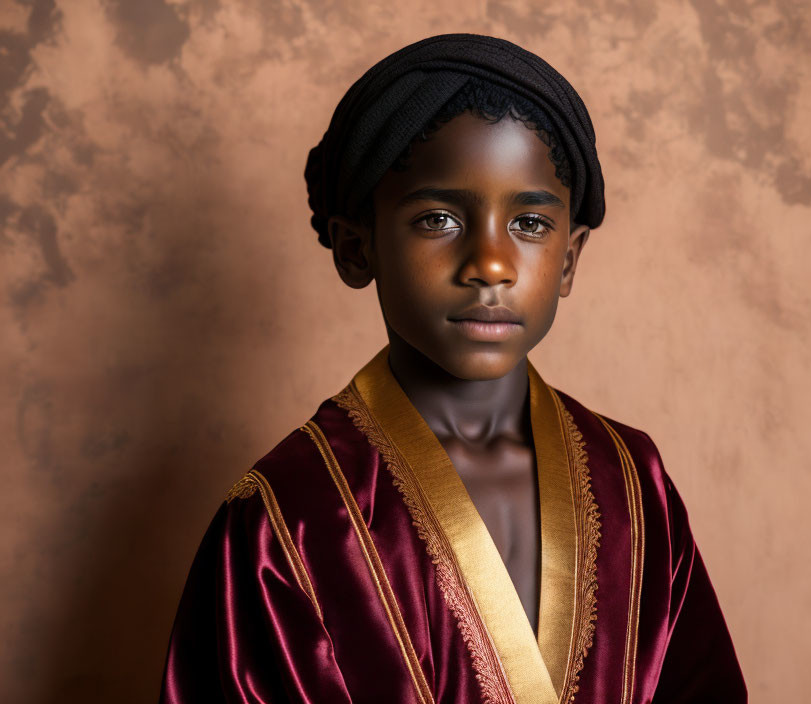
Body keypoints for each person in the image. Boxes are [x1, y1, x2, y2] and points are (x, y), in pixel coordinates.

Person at [159, 34, 747, 704]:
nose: (491, 263)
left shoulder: (635, 484)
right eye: (438, 218)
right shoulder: (284, 521)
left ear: (571, 259)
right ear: (357, 248)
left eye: (529, 223)